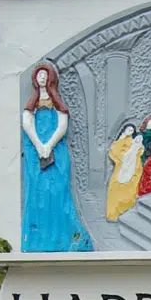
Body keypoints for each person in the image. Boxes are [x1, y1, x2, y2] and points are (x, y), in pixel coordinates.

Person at [22, 63, 92, 252]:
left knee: (58, 191)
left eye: (45, 75)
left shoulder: (57, 103)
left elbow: (62, 126)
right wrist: (39, 145)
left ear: (51, 78)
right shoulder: (33, 103)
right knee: (38, 193)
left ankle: (64, 237)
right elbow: (27, 124)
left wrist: (49, 145)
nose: (42, 78)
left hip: (56, 154)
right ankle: (37, 239)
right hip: (37, 155)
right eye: (39, 75)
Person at [106, 125, 144, 221]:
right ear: (124, 130)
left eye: (132, 130)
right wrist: (125, 156)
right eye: (128, 129)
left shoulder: (133, 141)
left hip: (133, 168)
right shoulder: (119, 141)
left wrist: (136, 148)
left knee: (130, 191)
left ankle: (128, 213)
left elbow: (139, 151)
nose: (130, 131)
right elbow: (115, 152)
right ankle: (114, 214)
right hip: (121, 168)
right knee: (115, 189)